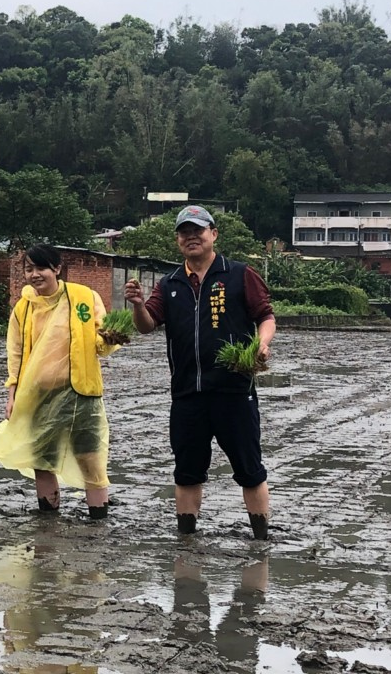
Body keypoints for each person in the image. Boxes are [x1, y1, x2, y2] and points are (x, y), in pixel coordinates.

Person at [123, 205, 275, 539]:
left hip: (234, 392)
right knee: (187, 472)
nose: (191, 237)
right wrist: (136, 305)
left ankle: (261, 537)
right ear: (178, 240)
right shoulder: (170, 283)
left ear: (213, 234)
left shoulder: (238, 274)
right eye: (184, 233)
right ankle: (186, 538)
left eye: (198, 231)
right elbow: (148, 325)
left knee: (249, 469)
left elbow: (266, 315)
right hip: (187, 394)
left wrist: (261, 345)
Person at [0, 244, 120, 517]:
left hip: (82, 392)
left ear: (57, 269)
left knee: (89, 456)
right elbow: (16, 354)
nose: (34, 274)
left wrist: (110, 339)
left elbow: (101, 345)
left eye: (41, 268)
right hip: (39, 395)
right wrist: (12, 394)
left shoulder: (84, 297)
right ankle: (48, 515)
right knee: (42, 459)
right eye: (28, 269)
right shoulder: (23, 308)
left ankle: (99, 517)